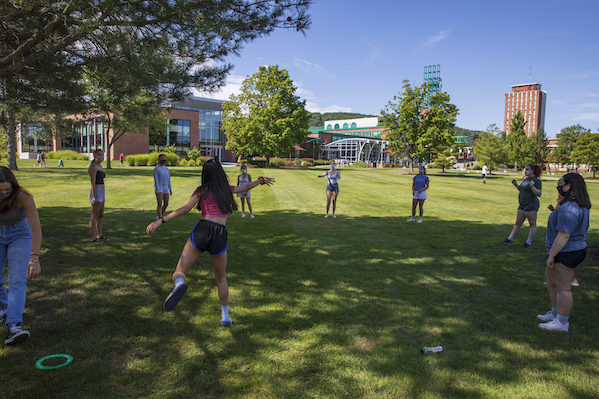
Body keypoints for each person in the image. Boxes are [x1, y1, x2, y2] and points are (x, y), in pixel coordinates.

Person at [146, 159, 274, 326]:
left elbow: (185, 209)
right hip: (219, 233)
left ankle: (179, 284)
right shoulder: (226, 190)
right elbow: (246, 187)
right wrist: (260, 180)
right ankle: (225, 316)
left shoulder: (201, 191)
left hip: (202, 229)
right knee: (221, 279)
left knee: (180, 271)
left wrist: (160, 221)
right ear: (220, 172)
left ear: (204, 173)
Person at [537, 173, 590, 332]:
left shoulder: (570, 208)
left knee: (563, 287)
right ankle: (555, 313)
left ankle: (561, 322)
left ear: (569, 186)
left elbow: (564, 235)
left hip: (567, 251)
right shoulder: (574, 204)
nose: (558, 186)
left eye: (561, 183)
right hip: (566, 249)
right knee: (551, 281)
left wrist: (552, 256)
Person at [0, 167, 42, 345]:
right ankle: (3, 308)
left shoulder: (23, 197)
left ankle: (14, 326)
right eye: (0, 190)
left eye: (7, 190)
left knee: (17, 279)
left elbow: (36, 229)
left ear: (14, 187)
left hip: (20, 234)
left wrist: (34, 258)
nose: (4, 194)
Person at [502, 164, 542, 248]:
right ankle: (510, 238)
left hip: (530, 204)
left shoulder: (536, 180)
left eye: (527, 169)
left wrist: (532, 186)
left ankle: (528, 242)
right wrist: (516, 185)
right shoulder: (526, 179)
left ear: (533, 171)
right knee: (518, 223)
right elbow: (522, 189)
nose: (525, 171)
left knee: (532, 224)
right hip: (522, 204)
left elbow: (538, 193)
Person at [88, 149, 106, 242]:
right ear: (95, 155)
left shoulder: (100, 166)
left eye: (102, 154)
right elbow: (92, 183)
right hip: (96, 191)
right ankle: (93, 237)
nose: (101, 156)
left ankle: (100, 235)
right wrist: (94, 196)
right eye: (99, 155)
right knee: (94, 215)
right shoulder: (93, 167)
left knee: (100, 214)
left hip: (102, 191)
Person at [153, 154, 172, 221]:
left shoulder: (166, 169)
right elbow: (156, 180)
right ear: (159, 159)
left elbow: (168, 179)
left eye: (164, 159)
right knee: (160, 203)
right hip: (160, 187)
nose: (163, 160)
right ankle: (160, 218)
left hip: (165, 186)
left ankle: (159, 215)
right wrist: (157, 190)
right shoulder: (156, 169)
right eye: (162, 158)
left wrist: (170, 189)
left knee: (166, 204)